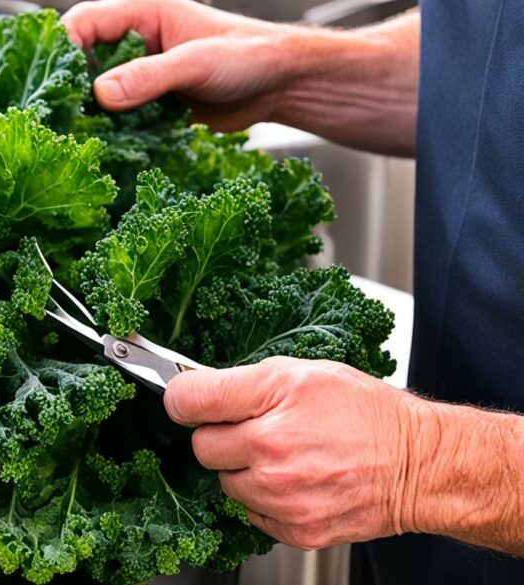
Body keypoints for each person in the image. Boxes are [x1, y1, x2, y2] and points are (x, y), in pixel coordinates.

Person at [60, 1, 524, 584]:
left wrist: (421, 463)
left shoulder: (413, 468)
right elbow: (496, 61)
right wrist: (293, 69)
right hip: (421, 552)